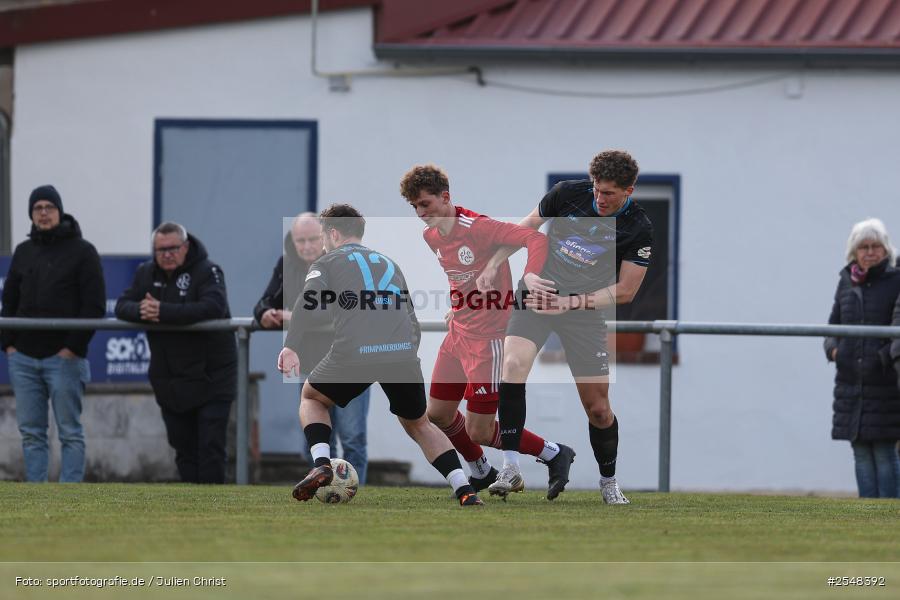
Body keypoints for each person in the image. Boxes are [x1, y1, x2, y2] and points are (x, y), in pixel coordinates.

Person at [278, 204, 483, 506]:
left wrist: (291, 345)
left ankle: (322, 463)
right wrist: (405, 356)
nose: (322, 243)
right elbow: (412, 319)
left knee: (311, 398)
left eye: (323, 236)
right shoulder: (390, 262)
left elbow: (308, 302)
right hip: (401, 354)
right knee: (420, 423)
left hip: (354, 353)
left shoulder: (328, 261)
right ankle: (464, 489)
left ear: (333, 233)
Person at [483, 150, 653, 503]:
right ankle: (510, 466)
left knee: (598, 409)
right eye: (596, 189)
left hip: (584, 311)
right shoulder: (566, 193)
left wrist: (570, 302)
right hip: (538, 295)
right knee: (512, 365)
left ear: (629, 191)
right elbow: (523, 229)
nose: (599, 198)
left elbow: (625, 291)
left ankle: (608, 482)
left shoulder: (639, 226)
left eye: (608, 193)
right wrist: (496, 265)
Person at [400, 164, 576, 499]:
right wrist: (456, 305)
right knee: (437, 413)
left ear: (445, 197)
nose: (421, 214)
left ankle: (554, 453)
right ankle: (481, 470)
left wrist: (531, 275)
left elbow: (534, 237)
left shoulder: (477, 227)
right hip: (458, 338)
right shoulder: (431, 236)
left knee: (478, 430)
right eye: (415, 207)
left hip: (489, 341)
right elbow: (459, 276)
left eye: (426, 204)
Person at [115, 222, 237, 484]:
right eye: (160, 250)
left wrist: (163, 312)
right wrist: (140, 312)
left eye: (172, 248)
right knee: (183, 447)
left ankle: (215, 509)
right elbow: (122, 305)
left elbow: (213, 307)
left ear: (185, 247)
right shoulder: (145, 273)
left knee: (210, 448)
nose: (167, 254)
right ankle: (191, 509)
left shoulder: (208, 271)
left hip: (212, 376)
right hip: (170, 379)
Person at [254, 212, 370, 483]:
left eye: (312, 239)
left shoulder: (344, 263)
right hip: (309, 366)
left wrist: (292, 316)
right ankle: (320, 488)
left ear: (328, 236)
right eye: (300, 240)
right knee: (314, 440)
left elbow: (343, 310)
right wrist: (265, 315)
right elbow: (262, 303)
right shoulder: (286, 264)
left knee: (353, 439)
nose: (306, 246)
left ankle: (354, 493)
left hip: (351, 365)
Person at [1, 185, 105, 482]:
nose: (43, 213)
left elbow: (94, 305)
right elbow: (9, 301)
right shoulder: (23, 252)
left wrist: (71, 348)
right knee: (32, 434)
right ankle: (37, 496)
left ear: (60, 211)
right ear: (31, 215)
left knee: (70, 432)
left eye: (49, 207)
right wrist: (8, 345)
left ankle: (68, 498)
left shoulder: (83, 251)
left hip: (64, 360)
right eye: (37, 208)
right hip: (23, 359)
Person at [825, 218, 900, 498]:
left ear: (885, 250)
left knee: (884, 452)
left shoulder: (896, 281)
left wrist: (882, 358)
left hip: (884, 383)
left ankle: (889, 514)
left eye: (875, 246)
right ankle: (867, 514)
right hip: (850, 384)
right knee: (860, 453)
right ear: (853, 252)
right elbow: (831, 326)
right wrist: (834, 351)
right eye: (863, 247)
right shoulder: (845, 282)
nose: (870, 252)